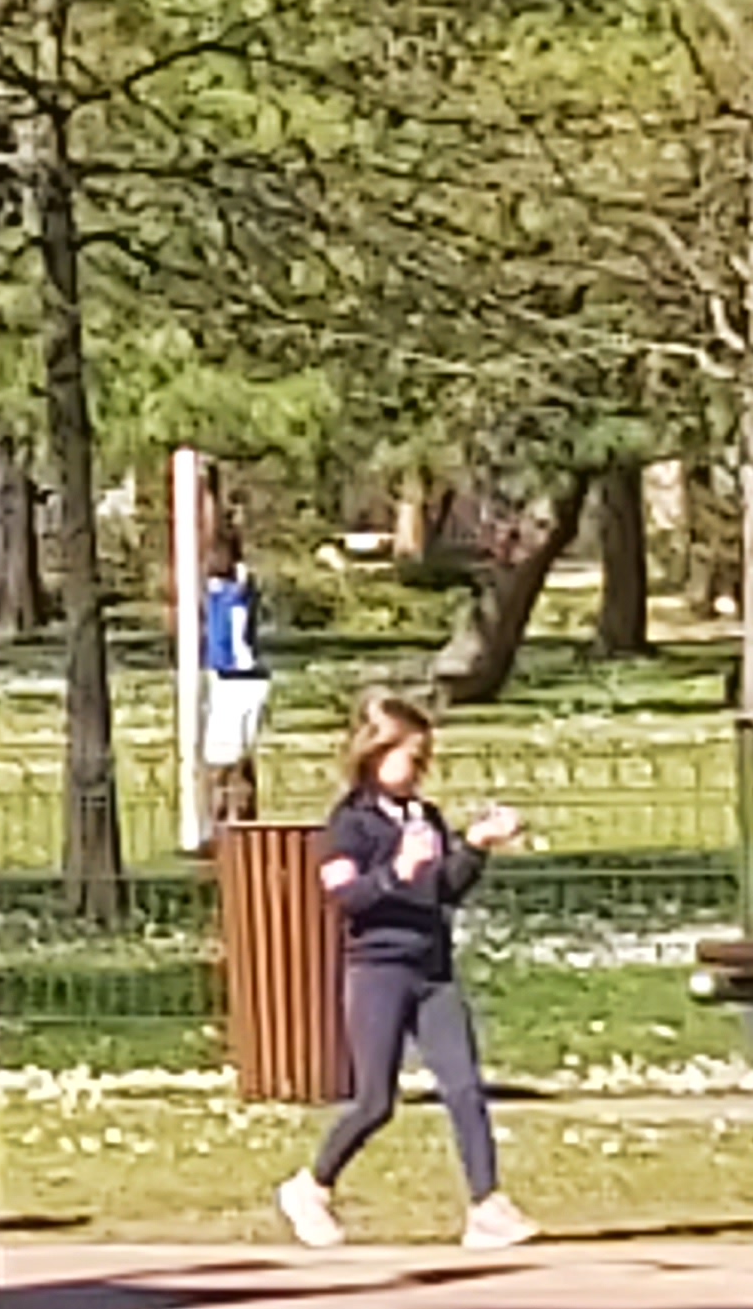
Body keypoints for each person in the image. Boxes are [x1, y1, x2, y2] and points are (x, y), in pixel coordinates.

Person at [279, 693, 538, 1251]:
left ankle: (486, 1204)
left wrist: (475, 846)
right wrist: (397, 872)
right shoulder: (349, 825)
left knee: (465, 1086)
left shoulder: (427, 818)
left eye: (426, 760)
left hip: (432, 967)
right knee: (375, 1101)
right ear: (376, 754)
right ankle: (312, 1186)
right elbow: (348, 898)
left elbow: (446, 888)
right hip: (378, 971)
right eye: (411, 758)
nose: (420, 770)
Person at [200, 522, 269, 826]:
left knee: (231, 758)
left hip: (239, 679)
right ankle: (222, 820)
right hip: (230, 678)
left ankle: (234, 819)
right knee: (225, 758)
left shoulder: (234, 590)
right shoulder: (219, 590)